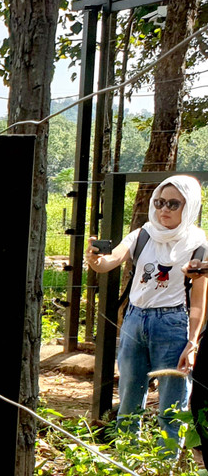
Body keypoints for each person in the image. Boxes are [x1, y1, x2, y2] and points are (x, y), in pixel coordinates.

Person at [87, 175, 208, 446]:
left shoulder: (199, 244)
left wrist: (192, 342)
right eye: (159, 202)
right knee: (129, 393)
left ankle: (164, 465)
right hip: (135, 318)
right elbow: (110, 261)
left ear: (189, 207)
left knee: (172, 400)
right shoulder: (143, 233)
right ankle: (127, 459)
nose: (164, 209)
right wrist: (95, 259)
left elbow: (199, 301)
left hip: (174, 322)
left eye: (173, 204)